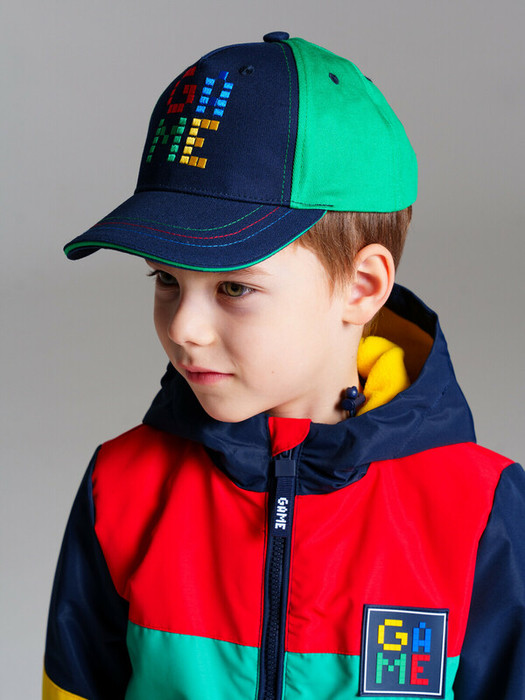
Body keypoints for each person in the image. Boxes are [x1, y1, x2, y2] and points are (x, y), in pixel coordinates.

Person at [43, 32, 525, 700]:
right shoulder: (121, 487)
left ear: (361, 287)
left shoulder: (478, 510)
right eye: (165, 280)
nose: (183, 327)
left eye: (234, 287)